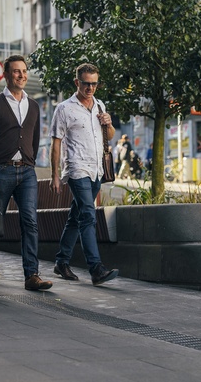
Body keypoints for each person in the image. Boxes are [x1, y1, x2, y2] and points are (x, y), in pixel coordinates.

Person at [0, 55, 52, 291]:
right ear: (6, 75)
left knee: (30, 222)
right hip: (0, 171)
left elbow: (35, 138)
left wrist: (30, 162)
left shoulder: (34, 105)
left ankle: (32, 275)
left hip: (27, 173)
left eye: (24, 71)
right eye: (16, 71)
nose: (21, 75)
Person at [49, 63, 119, 286]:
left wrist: (108, 124)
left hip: (97, 169)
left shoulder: (100, 105)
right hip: (77, 169)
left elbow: (109, 135)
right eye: (86, 83)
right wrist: (55, 175)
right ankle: (96, 268)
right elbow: (56, 143)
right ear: (77, 82)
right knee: (88, 215)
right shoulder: (64, 108)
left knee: (76, 217)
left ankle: (61, 261)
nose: (90, 88)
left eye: (94, 83)